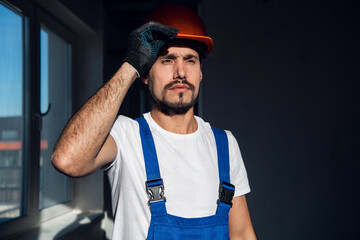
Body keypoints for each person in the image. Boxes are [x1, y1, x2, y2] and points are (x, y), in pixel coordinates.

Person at [52, 3, 257, 240]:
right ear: (146, 74)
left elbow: (242, 234)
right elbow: (67, 160)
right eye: (167, 60)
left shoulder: (225, 144)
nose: (181, 72)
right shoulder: (125, 135)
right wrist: (130, 66)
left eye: (190, 60)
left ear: (201, 72)